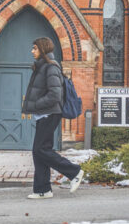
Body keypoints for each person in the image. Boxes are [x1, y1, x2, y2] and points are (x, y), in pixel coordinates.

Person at [21, 37, 84, 199]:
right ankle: (43, 190)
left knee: (40, 149)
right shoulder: (42, 67)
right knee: (40, 151)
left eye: (35, 48)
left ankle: (74, 171)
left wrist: (35, 105)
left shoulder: (50, 67)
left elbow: (55, 95)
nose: (32, 51)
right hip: (45, 114)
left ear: (42, 49)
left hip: (50, 113)